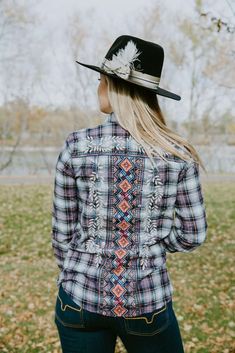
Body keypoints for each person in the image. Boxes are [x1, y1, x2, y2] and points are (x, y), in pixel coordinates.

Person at [51, 35, 208, 353]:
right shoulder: (177, 152)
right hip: (146, 300)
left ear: (113, 86)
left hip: (79, 301)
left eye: (101, 80)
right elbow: (193, 234)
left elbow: (63, 236)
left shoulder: (76, 145)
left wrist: (81, 268)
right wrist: (154, 242)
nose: (98, 87)